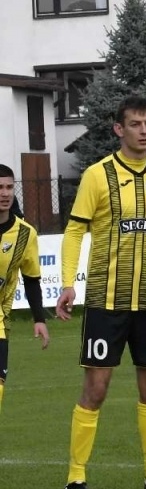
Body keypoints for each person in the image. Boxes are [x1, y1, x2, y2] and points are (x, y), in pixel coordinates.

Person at [55, 96, 146, 489]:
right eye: (135, 124)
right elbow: (74, 231)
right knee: (96, 389)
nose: (144, 130)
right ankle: (75, 479)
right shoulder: (98, 176)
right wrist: (68, 283)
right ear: (119, 129)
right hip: (105, 300)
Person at [0, 164, 51, 424]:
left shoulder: (25, 233)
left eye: (9, 187)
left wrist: (39, 319)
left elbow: (31, 280)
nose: (5, 193)